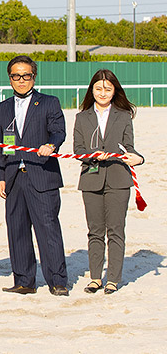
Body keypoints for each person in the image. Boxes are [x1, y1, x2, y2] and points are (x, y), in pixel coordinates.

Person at [0, 55, 69, 296]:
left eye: (26, 75)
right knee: (17, 230)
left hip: (42, 175)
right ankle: (24, 280)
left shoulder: (49, 103)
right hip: (14, 177)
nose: (21, 80)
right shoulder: (2, 108)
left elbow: (58, 131)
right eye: (16, 76)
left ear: (33, 77)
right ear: (10, 78)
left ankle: (57, 281)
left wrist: (52, 145)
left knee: (48, 229)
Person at [73, 69, 144, 295]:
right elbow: (78, 150)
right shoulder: (81, 117)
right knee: (95, 231)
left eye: (107, 89)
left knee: (115, 230)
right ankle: (95, 278)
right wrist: (90, 155)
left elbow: (129, 148)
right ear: (91, 90)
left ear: (114, 91)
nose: (102, 93)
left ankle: (113, 279)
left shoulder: (123, 116)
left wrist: (138, 158)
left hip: (118, 179)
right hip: (91, 179)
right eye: (98, 88)